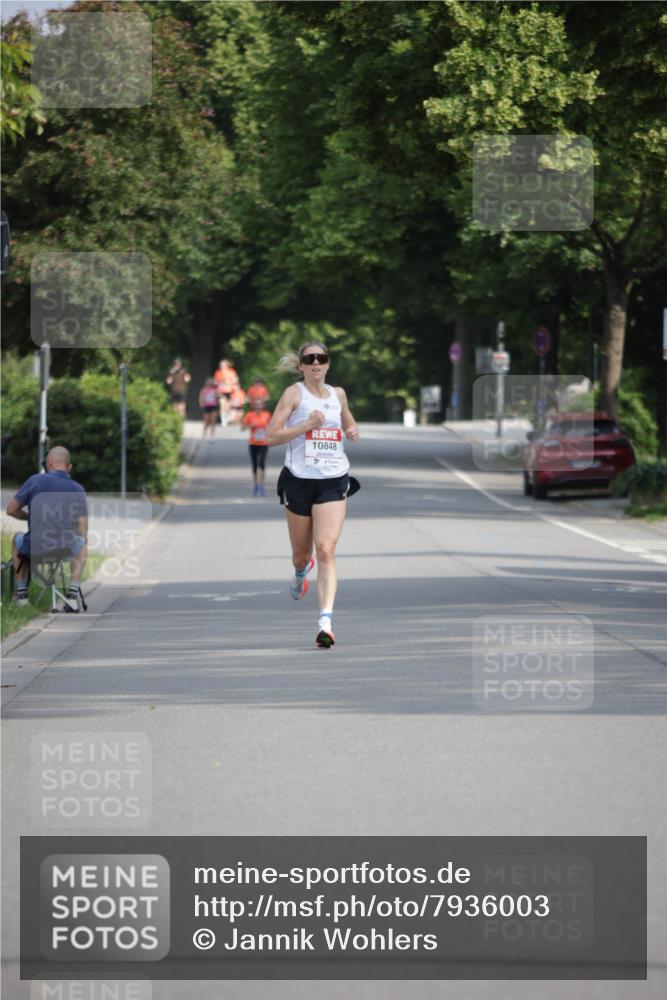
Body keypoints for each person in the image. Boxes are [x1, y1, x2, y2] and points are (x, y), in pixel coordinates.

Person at [266, 342, 360, 648]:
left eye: (321, 358)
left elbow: (346, 419)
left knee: (326, 549)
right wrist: (307, 425)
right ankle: (298, 573)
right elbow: (270, 436)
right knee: (302, 554)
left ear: (328, 364)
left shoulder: (339, 394)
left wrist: (352, 429)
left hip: (333, 479)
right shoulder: (294, 394)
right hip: (299, 480)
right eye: (310, 359)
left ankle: (325, 622)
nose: (316, 363)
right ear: (302, 366)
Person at [6, 445, 88, 612]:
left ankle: (21, 596)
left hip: (35, 548)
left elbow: (11, 510)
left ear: (49, 463)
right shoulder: (78, 489)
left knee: (17, 539)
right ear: (69, 467)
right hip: (65, 549)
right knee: (83, 543)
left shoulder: (34, 481)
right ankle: (72, 596)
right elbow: (82, 528)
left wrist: (29, 516)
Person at [241, 398, 272, 496]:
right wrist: (251, 426)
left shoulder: (267, 415)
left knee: (261, 464)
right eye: (256, 405)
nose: (258, 406)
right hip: (253, 443)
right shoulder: (249, 415)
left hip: (263, 444)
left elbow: (272, 427)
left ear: (263, 406)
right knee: (254, 466)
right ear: (254, 406)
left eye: (260, 404)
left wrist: (267, 429)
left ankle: (262, 485)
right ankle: (255, 485)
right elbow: (242, 428)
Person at [213, 358, 240, 427]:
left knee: (227, 406)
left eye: (223, 365)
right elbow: (215, 382)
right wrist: (220, 382)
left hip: (230, 390)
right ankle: (223, 420)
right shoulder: (218, 372)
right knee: (222, 404)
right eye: (220, 365)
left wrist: (230, 382)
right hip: (221, 391)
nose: (221, 366)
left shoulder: (231, 372)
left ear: (226, 365)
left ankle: (227, 417)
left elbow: (236, 380)